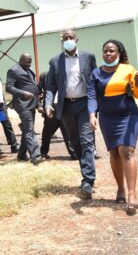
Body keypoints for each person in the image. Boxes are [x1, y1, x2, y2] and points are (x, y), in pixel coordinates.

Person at [88, 39, 138, 215]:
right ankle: (120, 188)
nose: (108, 54)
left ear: (119, 53)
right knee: (114, 152)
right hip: (107, 117)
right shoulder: (96, 73)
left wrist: (136, 82)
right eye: (105, 51)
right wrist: (92, 115)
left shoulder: (128, 70)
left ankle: (132, 194)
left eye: (112, 51)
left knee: (126, 151)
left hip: (128, 115)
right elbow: (91, 96)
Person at [45, 29, 98, 199]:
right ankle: (87, 175)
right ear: (62, 41)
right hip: (66, 106)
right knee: (75, 143)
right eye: (65, 38)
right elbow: (51, 87)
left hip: (85, 104)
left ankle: (88, 181)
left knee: (86, 140)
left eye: (70, 37)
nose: (68, 40)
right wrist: (47, 104)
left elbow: (95, 82)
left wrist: (96, 106)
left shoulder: (88, 57)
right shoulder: (55, 61)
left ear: (76, 39)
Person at [6, 53, 43, 165]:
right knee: (30, 130)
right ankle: (35, 155)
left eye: (30, 61)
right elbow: (9, 87)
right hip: (23, 104)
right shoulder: (13, 70)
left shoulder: (29, 69)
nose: (29, 64)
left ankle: (21, 155)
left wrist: (38, 101)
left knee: (27, 130)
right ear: (21, 60)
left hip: (32, 103)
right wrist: (23, 93)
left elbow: (33, 85)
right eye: (27, 61)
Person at [38, 71, 76, 160]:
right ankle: (43, 152)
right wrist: (39, 105)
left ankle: (74, 154)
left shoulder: (68, 74)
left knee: (68, 132)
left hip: (65, 107)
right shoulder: (44, 76)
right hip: (51, 108)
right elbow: (38, 91)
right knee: (47, 132)